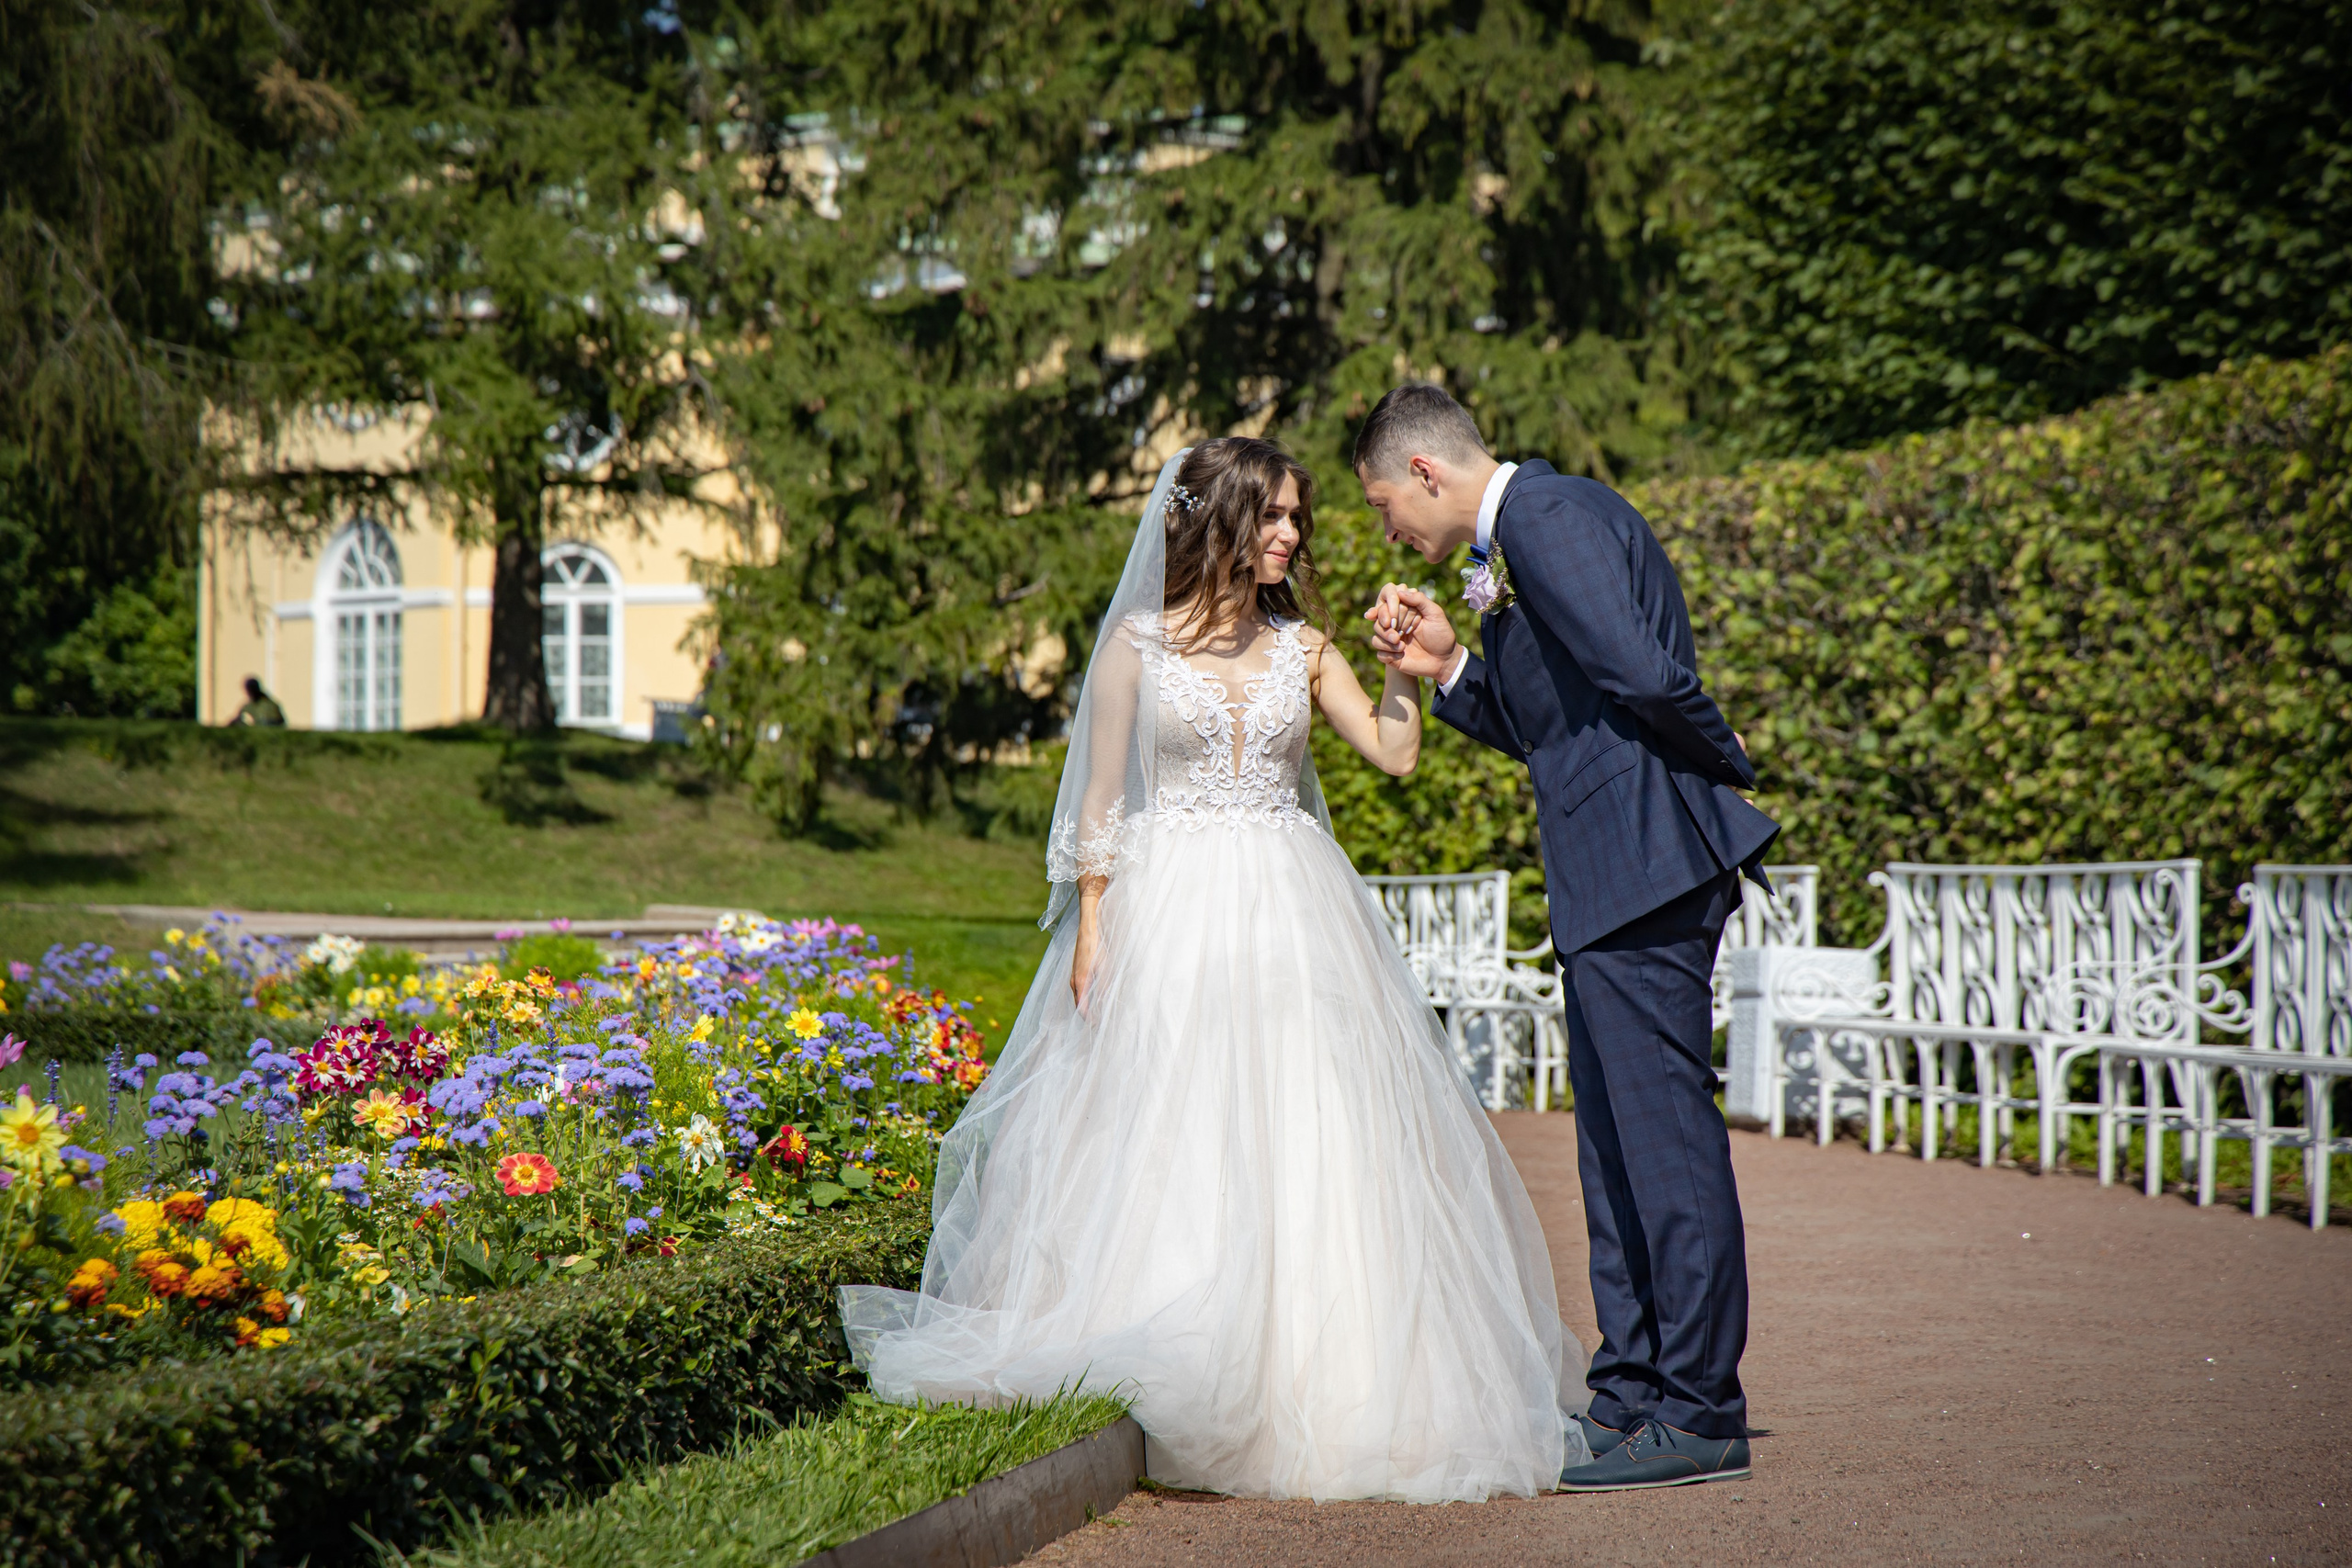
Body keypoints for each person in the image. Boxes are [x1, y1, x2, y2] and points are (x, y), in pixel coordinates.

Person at [839, 437, 1591, 1502]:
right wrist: (1092, 925)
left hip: (1294, 909)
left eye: (1297, 518)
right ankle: (1170, 1340)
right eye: (1272, 515)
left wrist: (1397, 672)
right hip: (1167, 907)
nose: (1289, 534)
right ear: (1218, 521)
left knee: (1309, 1122)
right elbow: (1098, 802)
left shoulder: (1309, 647)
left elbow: (1394, 753)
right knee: (1170, 1121)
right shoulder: (1132, 652)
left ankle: (1334, 1382)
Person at [1363, 383, 1780, 1492]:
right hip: (1608, 878)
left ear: (1422, 474)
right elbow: (1555, 726)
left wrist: (1721, 761)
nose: (1387, 535)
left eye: (1380, 506)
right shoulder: (1516, 543)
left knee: (1664, 1150)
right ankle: (1631, 1393)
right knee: (1611, 1153)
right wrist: (1452, 667)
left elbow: (1645, 675)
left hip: (1646, 866)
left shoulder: (1544, 519)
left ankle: (1698, 1409)